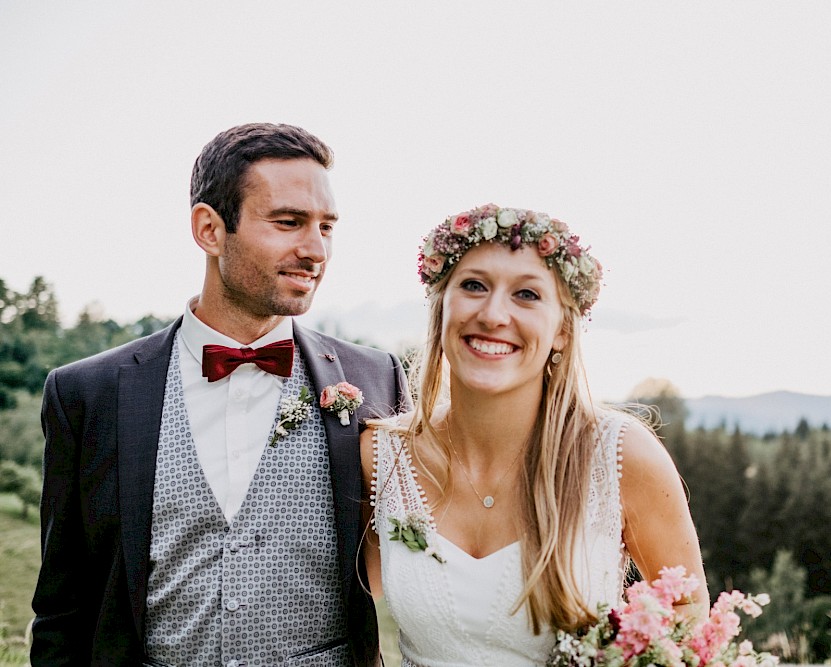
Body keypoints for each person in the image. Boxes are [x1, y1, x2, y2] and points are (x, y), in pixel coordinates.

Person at [31, 123, 409, 666]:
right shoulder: (87, 394)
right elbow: (62, 611)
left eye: (327, 227)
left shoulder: (376, 378)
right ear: (209, 229)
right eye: (288, 223)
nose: (315, 249)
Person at [361, 204, 708, 666]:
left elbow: (686, 612)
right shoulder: (381, 457)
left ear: (562, 329)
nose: (493, 314)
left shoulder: (621, 456)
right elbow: (340, 610)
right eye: (473, 286)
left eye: (526, 294)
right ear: (441, 305)